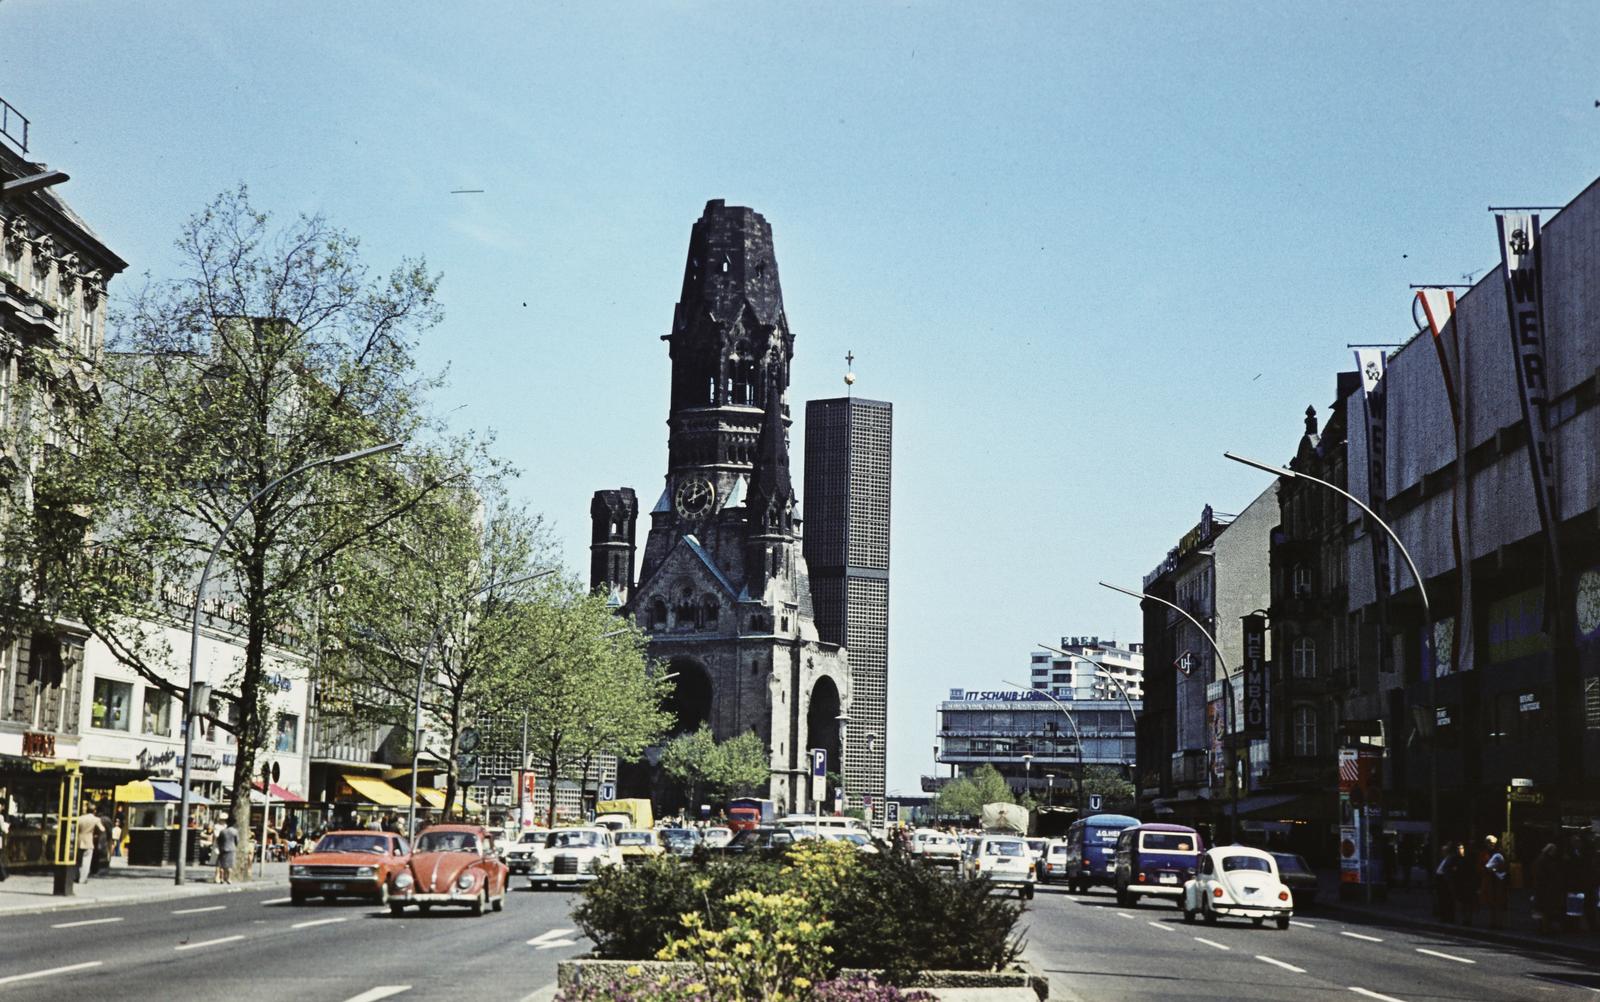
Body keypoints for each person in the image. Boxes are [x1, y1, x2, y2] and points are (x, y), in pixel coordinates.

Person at [1533, 841, 1563, 934]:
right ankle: (1545, 928)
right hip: (1545, 888)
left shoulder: (1544, 859)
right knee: (1545, 909)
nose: (1555, 852)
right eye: (1553, 850)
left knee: (1543, 909)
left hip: (1545, 888)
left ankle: (1543, 927)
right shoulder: (1545, 860)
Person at [1481, 835, 1509, 929]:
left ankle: (1500, 923)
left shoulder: (1499, 853)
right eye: (1489, 843)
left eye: (1493, 843)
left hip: (1498, 881)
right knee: (1491, 903)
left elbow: (1505, 866)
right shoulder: (1485, 854)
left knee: (1499, 903)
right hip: (1489, 881)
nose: (1491, 845)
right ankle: (1493, 922)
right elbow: (1482, 866)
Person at [1452, 841, 1479, 926]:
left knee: (1468, 903)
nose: (1461, 850)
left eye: (1462, 848)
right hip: (1463, 883)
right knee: (1464, 903)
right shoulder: (1458, 859)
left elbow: (1473, 872)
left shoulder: (1468, 859)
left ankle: (1468, 919)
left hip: (1468, 883)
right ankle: (1466, 919)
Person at [76, 807, 104, 883]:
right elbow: (102, 829)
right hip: (89, 841)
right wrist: (96, 835)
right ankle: (83, 879)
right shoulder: (96, 819)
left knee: (78, 861)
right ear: (94, 811)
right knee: (86, 861)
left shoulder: (80, 818)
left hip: (79, 841)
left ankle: (77, 876)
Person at [1433, 844, 1459, 923]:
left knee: (1448, 900)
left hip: (1446, 881)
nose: (1442, 852)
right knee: (1442, 900)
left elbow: (1452, 869)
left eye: (1443, 851)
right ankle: (1444, 917)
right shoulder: (1443, 859)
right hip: (1441, 880)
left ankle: (1449, 918)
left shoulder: (1451, 858)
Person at [213, 814, 238, 884]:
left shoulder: (223, 831)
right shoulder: (234, 831)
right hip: (231, 849)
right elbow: (237, 841)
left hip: (222, 848)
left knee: (221, 864)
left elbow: (218, 839)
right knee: (229, 865)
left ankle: (221, 878)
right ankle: (228, 878)